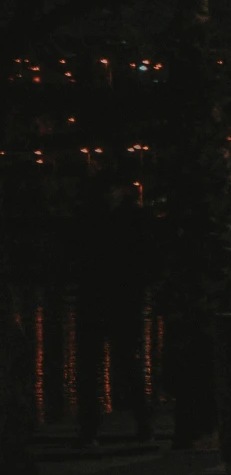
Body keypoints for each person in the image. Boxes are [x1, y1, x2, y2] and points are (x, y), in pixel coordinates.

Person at [73, 177, 153, 449]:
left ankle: (92, 428)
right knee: (125, 365)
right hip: (119, 298)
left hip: (100, 298)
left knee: (95, 367)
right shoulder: (132, 218)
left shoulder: (88, 216)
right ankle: (140, 424)